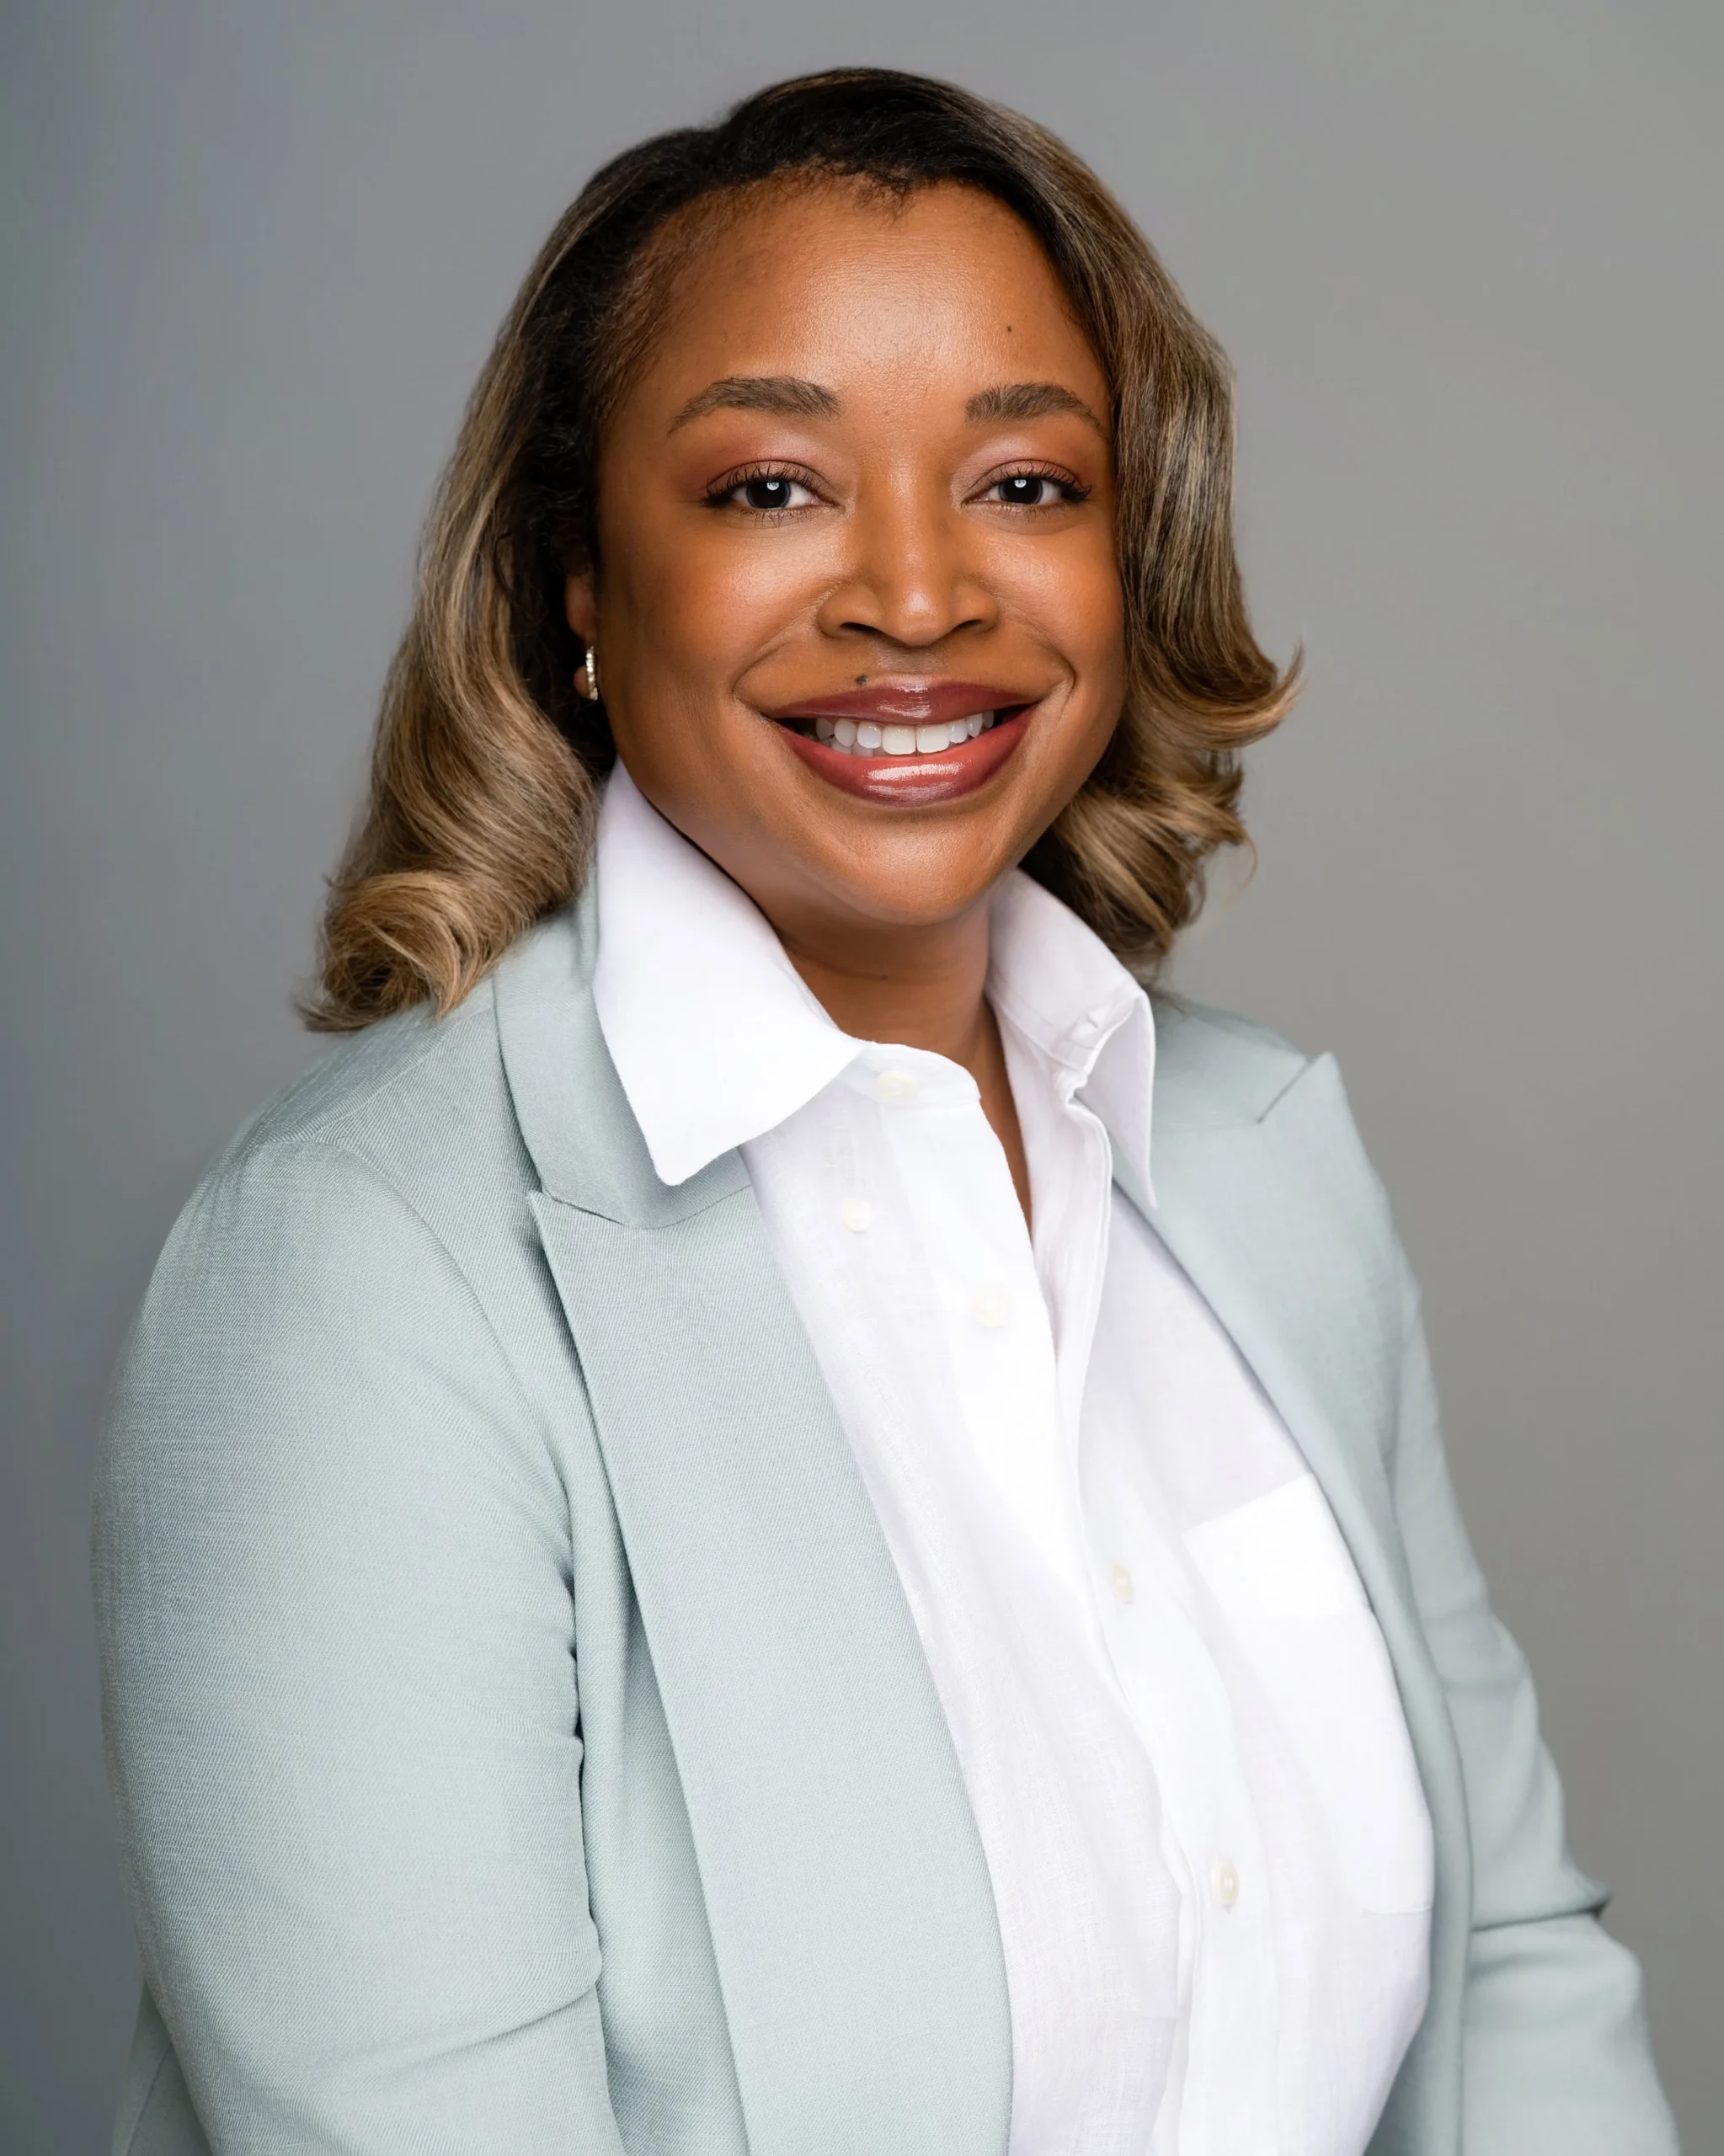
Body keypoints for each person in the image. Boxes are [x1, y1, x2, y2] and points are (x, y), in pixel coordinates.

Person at [92, 67, 1677, 2156]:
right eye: (772, 487)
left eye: (1025, 481)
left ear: (1128, 548)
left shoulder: (1267, 1157)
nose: (919, 595)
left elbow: (1512, 1962)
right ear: (581, 572)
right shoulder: (358, 1276)